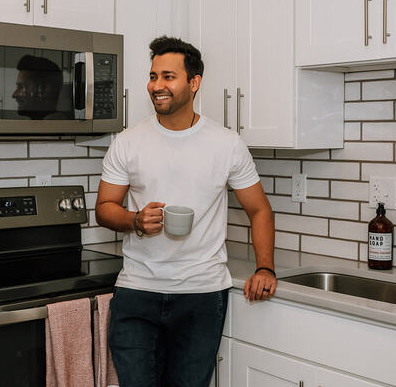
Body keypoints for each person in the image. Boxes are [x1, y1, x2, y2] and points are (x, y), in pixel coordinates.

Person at [95, 36, 277, 386]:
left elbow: (260, 211)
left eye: (168, 76)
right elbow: (104, 209)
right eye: (153, 76)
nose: (156, 86)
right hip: (138, 292)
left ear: (194, 83)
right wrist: (135, 220)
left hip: (202, 295)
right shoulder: (128, 142)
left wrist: (265, 268)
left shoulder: (226, 144)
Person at [12, 54, 73, 120]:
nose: (14, 95)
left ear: (43, 89)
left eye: (21, 87)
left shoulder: (53, 128)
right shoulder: (44, 125)